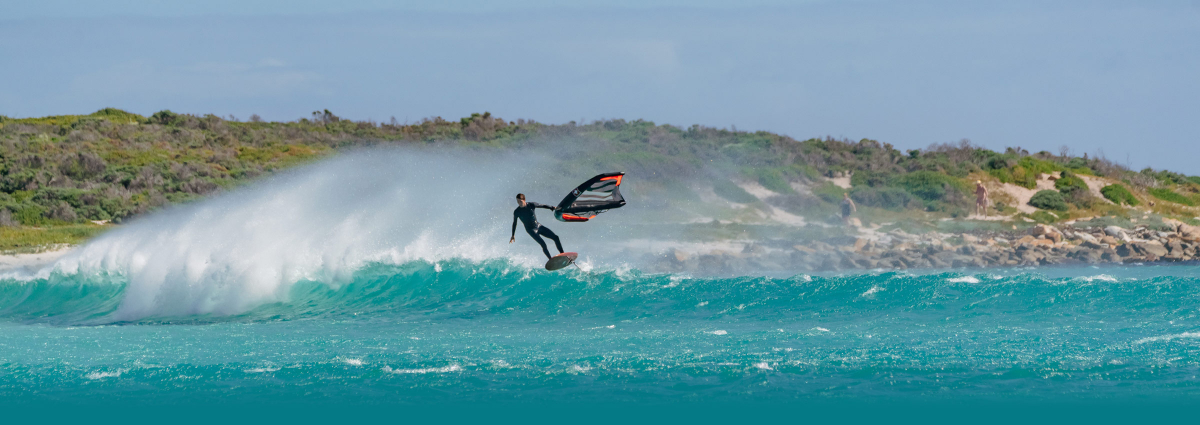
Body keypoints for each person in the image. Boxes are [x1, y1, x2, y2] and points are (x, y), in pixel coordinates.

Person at [510, 193, 565, 260]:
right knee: (543, 244)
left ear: (524, 200)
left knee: (556, 237)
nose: (519, 203)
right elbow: (514, 223)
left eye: (520, 201)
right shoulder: (517, 211)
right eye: (518, 202)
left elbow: (542, 205)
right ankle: (551, 260)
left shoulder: (531, 205)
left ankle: (563, 254)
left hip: (538, 226)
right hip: (531, 230)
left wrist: (552, 207)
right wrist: (513, 235)